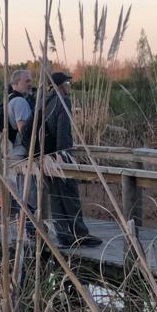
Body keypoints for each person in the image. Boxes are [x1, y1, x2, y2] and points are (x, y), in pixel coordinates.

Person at [44, 72, 102, 248]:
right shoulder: (63, 101)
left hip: (46, 156)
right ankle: (80, 235)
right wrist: (62, 154)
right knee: (70, 195)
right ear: (60, 86)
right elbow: (62, 130)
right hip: (60, 155)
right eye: (67, 83)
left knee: (56, 197)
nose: (69, 86)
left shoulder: (45, 102)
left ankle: (63, 235)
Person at [5, 69, 38, 238]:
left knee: (19, 193)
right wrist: (35, 151)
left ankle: (23, 230)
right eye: (27, 81)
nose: (30, 84)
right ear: (16, 83)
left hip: (11, 152)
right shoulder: (20, 102)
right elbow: (23, 130)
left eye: (30, 80)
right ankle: (29, 230)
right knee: (28, 193)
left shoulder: (9, 100)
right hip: (21, 153)